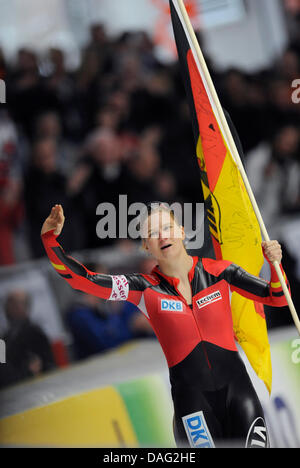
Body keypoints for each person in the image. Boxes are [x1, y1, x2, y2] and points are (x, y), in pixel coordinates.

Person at [41, 202, 290, 448]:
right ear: (146, 246)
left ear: (181, 232)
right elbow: (83, 280)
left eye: (167, 228)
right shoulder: (143, 288)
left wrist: (274, 263)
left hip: (239, 396)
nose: (162, 236)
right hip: (193, 407)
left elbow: (278, 297)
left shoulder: (221, 272)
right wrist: (50, 240)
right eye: (152, 234)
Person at [0, 289, 55, 388]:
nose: (8, 308)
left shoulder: (34, 331)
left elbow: (47, 363)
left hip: (34, 385)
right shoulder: (6, 335)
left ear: (25, 307)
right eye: (8, 304)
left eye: (14, 304)